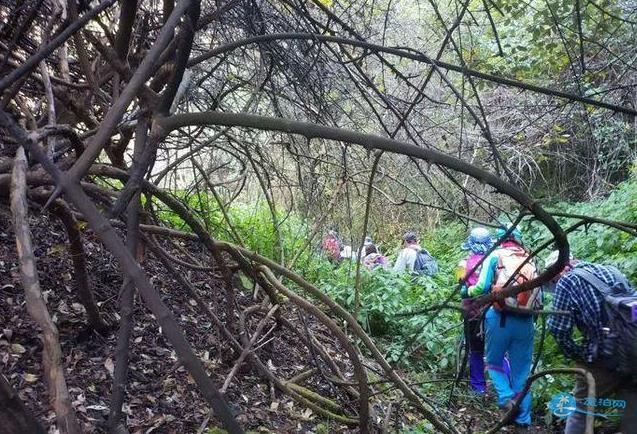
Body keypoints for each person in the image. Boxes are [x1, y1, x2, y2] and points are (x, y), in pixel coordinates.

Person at [544, 251, 637, 434]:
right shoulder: (611, 270)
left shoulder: (568, 280)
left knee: (581, 409)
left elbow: (558, 328)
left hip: (602, 358)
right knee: (632, 409)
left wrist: (577, 354)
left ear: (558, 269)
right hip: (632, 352)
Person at [465, 225, 537, 429]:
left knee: (493, 361)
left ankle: (506, 398)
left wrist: (467, 290)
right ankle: (523, 420)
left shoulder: (495, 256)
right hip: (526, 320)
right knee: (522, 371)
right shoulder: (529, 257)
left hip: (499, 317)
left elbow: (481, 287)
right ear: (518, 239)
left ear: (499, 239)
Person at [457, 227, 492, 395]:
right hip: (494, 311)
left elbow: (460, 286)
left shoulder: (463, 263)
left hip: (471, 311)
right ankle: (506, 387)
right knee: (497, 350)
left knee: (476, 349)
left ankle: (479, 388)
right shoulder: (495, 261)